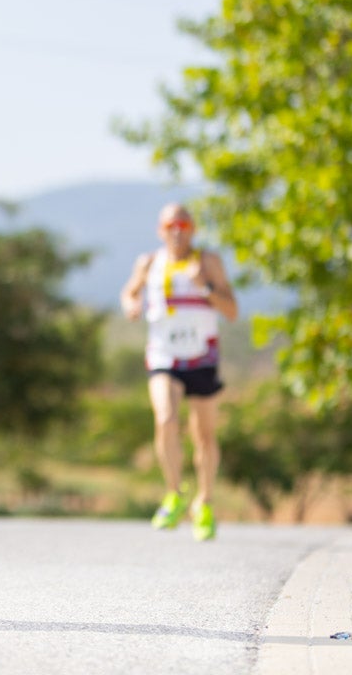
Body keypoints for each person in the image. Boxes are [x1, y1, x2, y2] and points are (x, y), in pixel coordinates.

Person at [119, 203, 238, 541]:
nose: (177, 230)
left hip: (201, 357)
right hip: (164, 357)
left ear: (193, 229)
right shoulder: (149, 263)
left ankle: (205, 502)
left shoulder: (208, 262)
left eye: (183, 224)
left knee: (204, 436)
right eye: (170, 224)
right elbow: (129, 292)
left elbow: (231, 310)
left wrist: (205, 287)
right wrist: (131, 304)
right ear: (160, 230)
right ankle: (174, 493)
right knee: (166, 419)